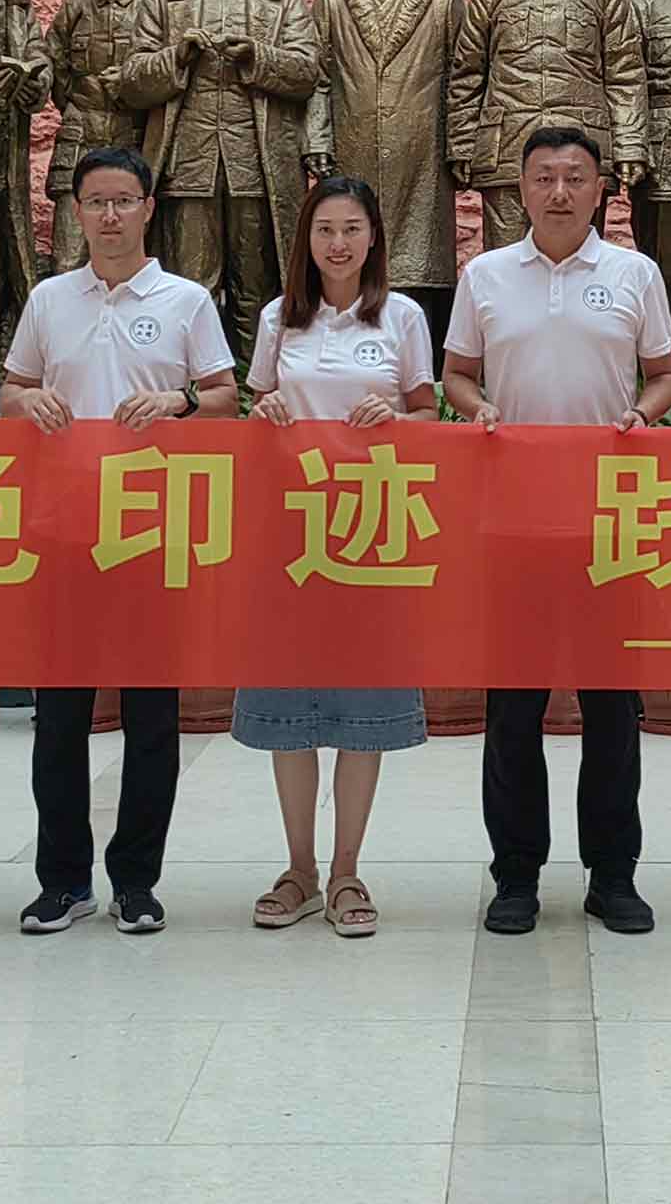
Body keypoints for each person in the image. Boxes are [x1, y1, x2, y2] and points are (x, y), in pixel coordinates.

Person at [445, 125, 671, 936]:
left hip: (609, 519)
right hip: (512, 521)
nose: (558, 191)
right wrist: (479, 408)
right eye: (543, 176)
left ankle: (613, 874)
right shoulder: (484, 276)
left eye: (575, 177)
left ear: (601, 189)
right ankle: (515, 875)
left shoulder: (634, 274)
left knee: (612, 707)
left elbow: (664, 373)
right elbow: (457, 373)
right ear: (519, 188)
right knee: (512, 708)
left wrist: (642, 414)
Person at [2, 146, 236, 935]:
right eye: (96, 201)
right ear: (76, 211)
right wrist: (27, 401)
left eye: (123, 200)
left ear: (147, 208)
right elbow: (11, 388)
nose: (109, 215)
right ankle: (63, 879)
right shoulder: (49, 299)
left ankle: (136, 880)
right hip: (65, 529)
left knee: (152, 717)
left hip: (151, 532)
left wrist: (177, 400)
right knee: (59, 716)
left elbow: (225, 396)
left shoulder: (184, 300)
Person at [236, 174, 434, 937]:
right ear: (306, 239)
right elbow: (254, 410)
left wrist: (399, 418)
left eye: (352, 227)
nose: (339, 242)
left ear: (374, 235)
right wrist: (266, 409)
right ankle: (300, 868)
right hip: (289, 536)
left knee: (361, 708)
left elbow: (428, 417)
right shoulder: (278, 318)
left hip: (370, 533)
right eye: (325, 229)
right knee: (289, 709)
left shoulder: (403, 316)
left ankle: (348, 867)